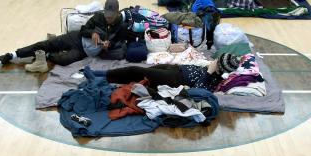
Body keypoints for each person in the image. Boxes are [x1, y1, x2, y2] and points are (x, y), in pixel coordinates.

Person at [0, 0, 131, 73]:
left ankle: (46, 55)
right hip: (77, 38)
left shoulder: (122, 26)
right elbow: (83, 30)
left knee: (64, 60)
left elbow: (119, 43)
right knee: (47, 44)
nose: (108, 19)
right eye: (106, 16)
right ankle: (14, 54)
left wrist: (109, 45)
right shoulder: (98, 16)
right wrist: (93, 33)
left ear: (117, 13)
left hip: (85, 52)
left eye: (111, 17)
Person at [91, 53, 244, 92]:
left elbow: (198, 91)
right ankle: (105, 79)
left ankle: (99, 75)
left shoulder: (214, 79)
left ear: (220, 68)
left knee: (134, 70)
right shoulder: (212, 68)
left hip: (174, 79)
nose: (214, 61)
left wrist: (209, 73)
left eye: (217, 62)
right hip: (174, 69)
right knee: (137, 76)